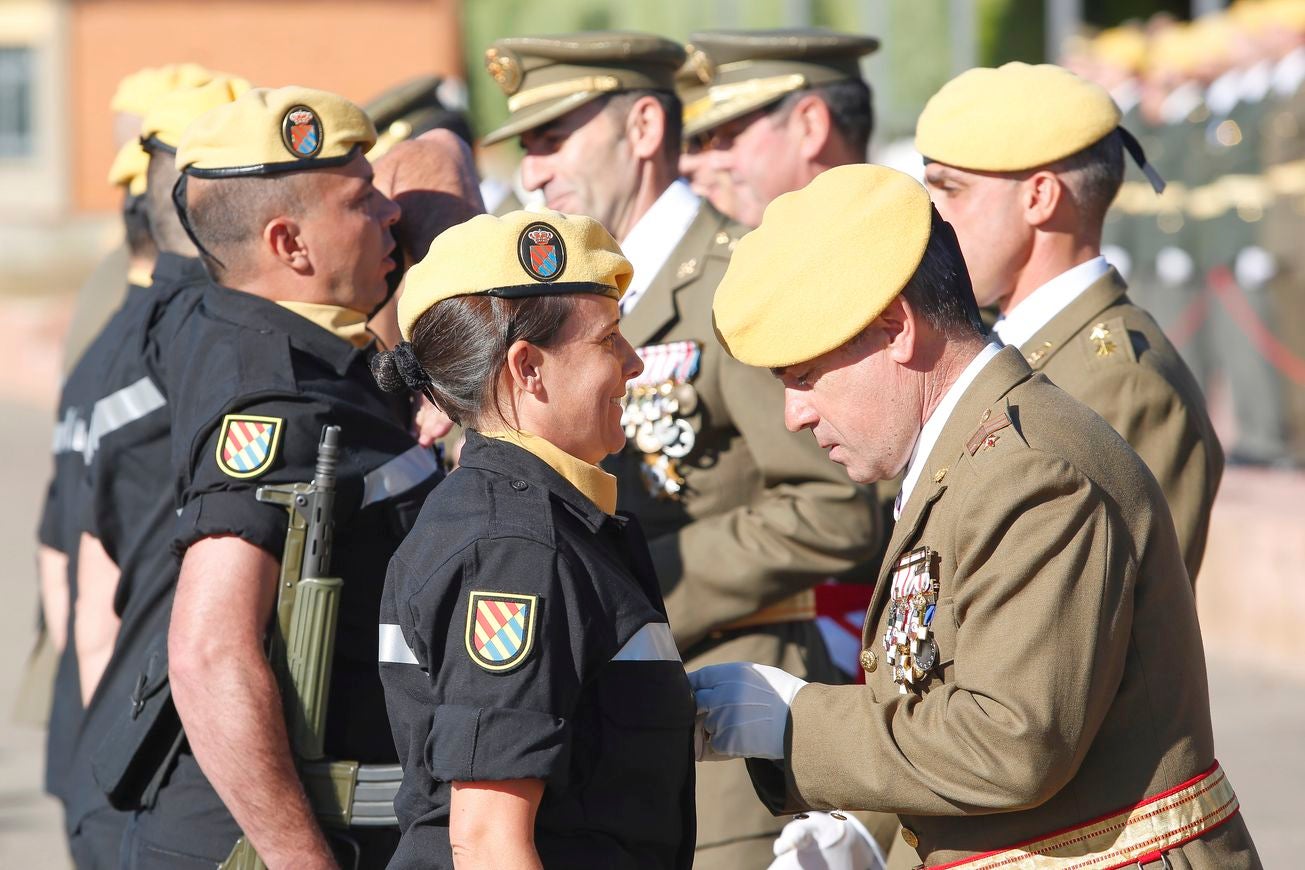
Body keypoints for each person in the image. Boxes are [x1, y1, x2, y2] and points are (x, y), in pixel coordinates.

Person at [692, 163, 1261, 869]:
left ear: (896, 327)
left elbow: (1011, 742)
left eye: (804, 376)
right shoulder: (972, 454)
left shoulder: (1029, 472)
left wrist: (793, 726)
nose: (795, 414)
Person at [480, 32, 882, 866]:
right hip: (604, 736)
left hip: (724, 729)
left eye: (555, 139)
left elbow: (835, 504)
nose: (535, 172)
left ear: (641, 130)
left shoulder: (737, 275)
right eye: (527, 147)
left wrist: (639, 586)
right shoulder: (568, 298)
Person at [121, 85, 443, 869]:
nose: (393, 213)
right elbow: (208, 651)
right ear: (291, 246)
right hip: (254, 838)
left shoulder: (226, 314)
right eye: (363, 201)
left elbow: (437, 157)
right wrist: (303, 861)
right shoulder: (277, 407)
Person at [375, 209, 694, 869]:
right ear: (527, 369)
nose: (633, 363)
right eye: (609, 340)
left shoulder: (528, 521)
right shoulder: (517, 547)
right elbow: (488, 840)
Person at [37, 76, 249, 869]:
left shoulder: (114, 343)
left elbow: (66, 568)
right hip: (148, 756)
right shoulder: (197, 345)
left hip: (104, 737)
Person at [916, 62, 1223, 582]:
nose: (931, 212)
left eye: (952, 188)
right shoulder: (1002, 338)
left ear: (1039, 197)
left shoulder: (1120, 382)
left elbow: (1097, 617)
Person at [681, 27, 878, 228]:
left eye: (732, 134)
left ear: (810, 126)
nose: (715, 161)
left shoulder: (894, 249)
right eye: (707, 140)